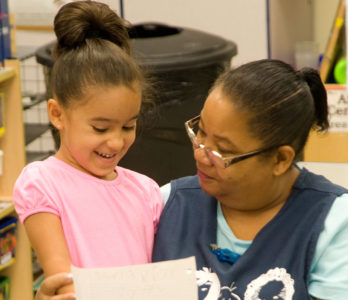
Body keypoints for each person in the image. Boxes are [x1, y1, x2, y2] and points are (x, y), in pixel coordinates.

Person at [35, 59, 348, 300]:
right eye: (200, 132)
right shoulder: (167, 204)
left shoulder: (331, 221)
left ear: (280, 159)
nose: (200, 154)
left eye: (222, 151)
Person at [13, 0, 163, 296]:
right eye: (100, 128)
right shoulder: (42, 182)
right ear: (57, 114)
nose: (116, 142)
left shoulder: (147, 191)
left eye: (128, 126)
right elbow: (63, 281)